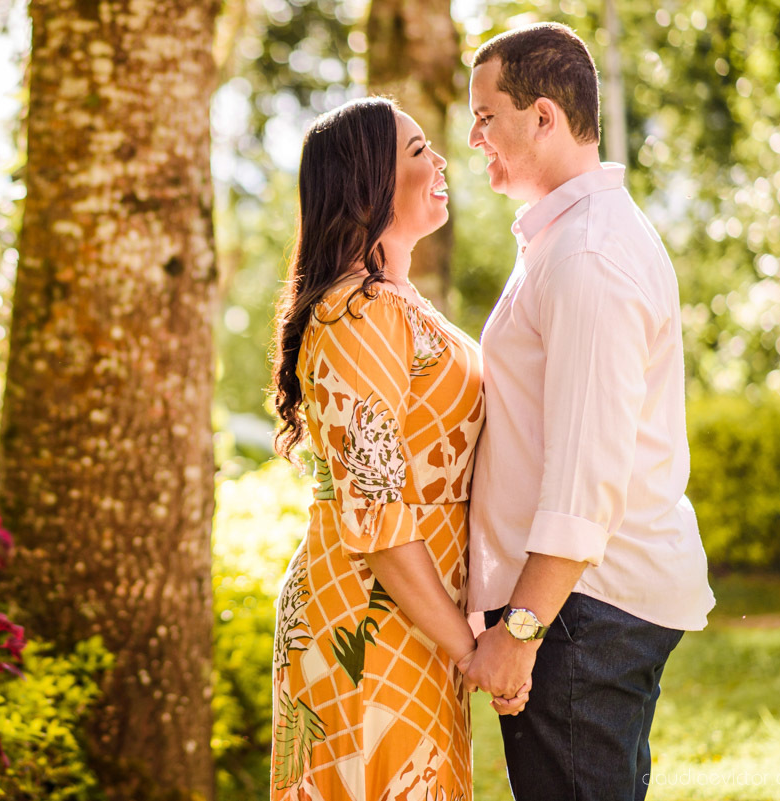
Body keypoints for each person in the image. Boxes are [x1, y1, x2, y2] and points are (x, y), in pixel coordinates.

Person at [461, 22, 717, 801]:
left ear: (543, 116)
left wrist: (524, 629)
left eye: (485, 116)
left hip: (582, 613)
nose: (473, 139)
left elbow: (585, 472)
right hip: (581, 609)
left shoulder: (587, 255)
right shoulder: (565, 240)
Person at [267, 96, 525, 801]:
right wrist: (473, 650)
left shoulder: (398, 301)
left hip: (418, 610)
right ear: (364, 182)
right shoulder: (356, 313)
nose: (440, 160)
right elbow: (374, 515)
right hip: (370, 614)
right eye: (417, 152)